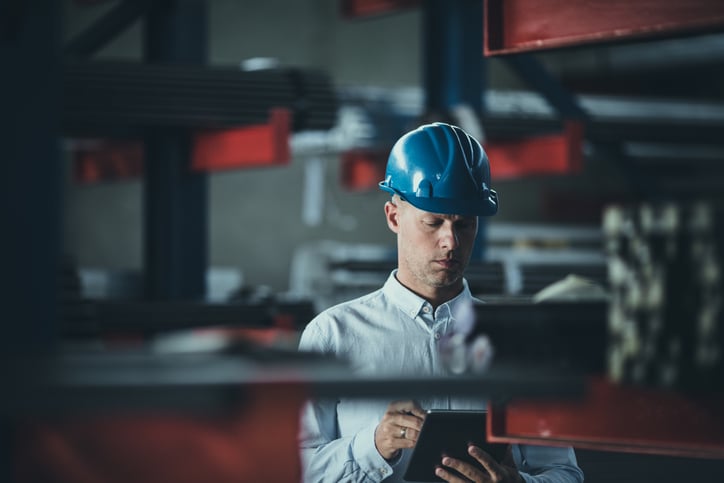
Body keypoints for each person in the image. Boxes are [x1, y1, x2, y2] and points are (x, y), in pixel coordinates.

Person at [298, 122, 584, 483]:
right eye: (433, 222)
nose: (450, 241)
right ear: (393, 216)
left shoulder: (521, 340)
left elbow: (564, 474)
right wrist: (371, 447)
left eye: (464, 225)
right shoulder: (332, 336)